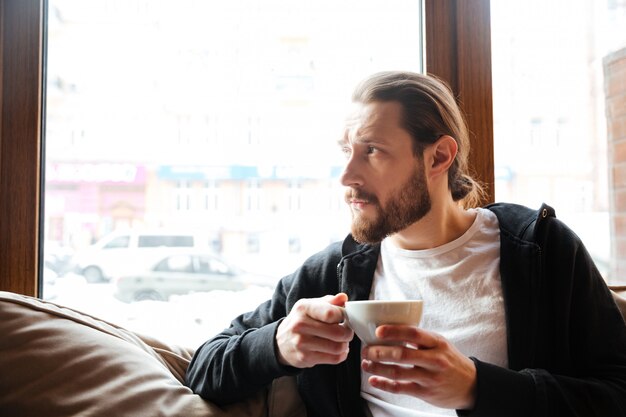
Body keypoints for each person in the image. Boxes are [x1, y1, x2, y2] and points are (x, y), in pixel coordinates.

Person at [185, 71, 626, 416]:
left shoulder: (540, 251)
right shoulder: (331, 274)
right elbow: (204, 368)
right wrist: (278, 343)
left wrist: (476, 388)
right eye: (346, 150)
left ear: (438, 157)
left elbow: (617, 393)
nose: (347, 176)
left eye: (373, 150)